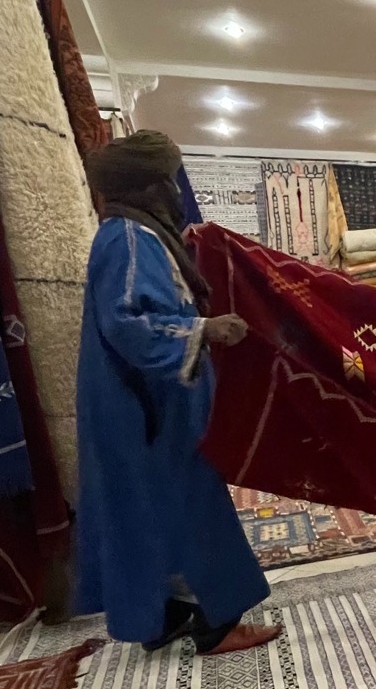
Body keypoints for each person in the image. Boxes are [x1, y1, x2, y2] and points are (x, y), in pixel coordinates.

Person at [75, 131, 281, 654]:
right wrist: (202, 330)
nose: (176, 190)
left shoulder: (136, 234)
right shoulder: (127, 238)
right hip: (148, 406)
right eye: (169, 180)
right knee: (190, 503)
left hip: (151, 398)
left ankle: (164, 616)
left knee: (150, 507)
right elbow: (127, 322)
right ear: (148, 187)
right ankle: (216, 622)